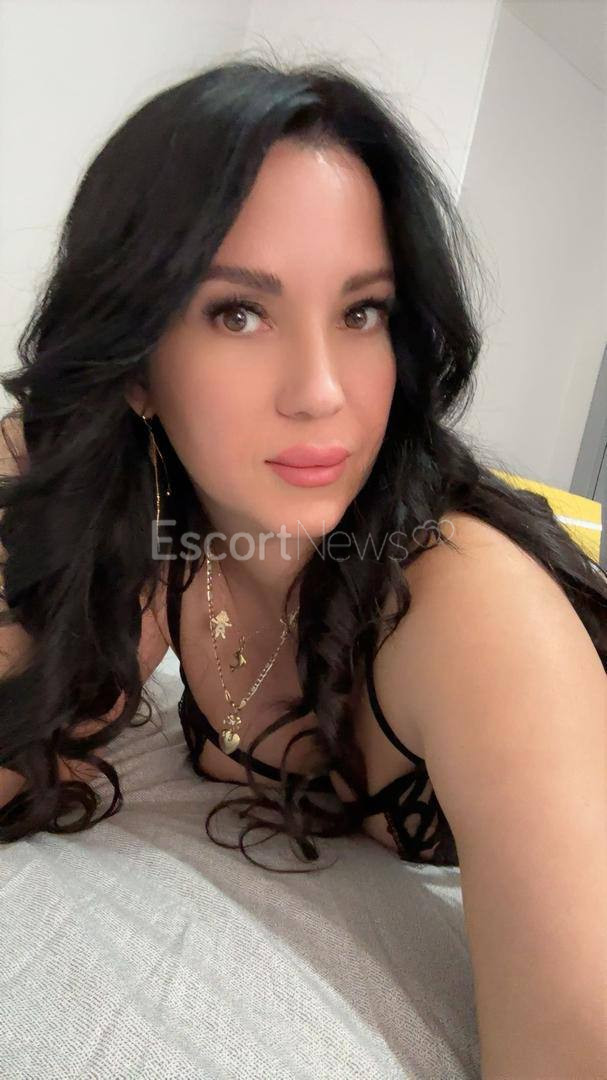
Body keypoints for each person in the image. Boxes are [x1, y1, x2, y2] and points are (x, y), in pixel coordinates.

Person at [0, 57, 605, 1074]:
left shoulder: (469, 609)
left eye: (362, 311)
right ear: (135, 363)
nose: (322, 391)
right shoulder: (162, 532)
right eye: (238, 312)